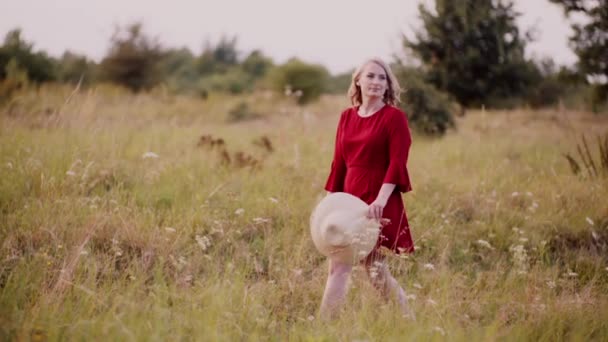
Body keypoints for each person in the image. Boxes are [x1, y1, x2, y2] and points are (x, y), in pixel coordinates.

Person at [321, 57, 415, 320]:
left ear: (388, 85)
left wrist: (381, 201)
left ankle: (407, 320)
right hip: (348, 198)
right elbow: (339, 163)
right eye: (371, 76)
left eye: (382, 77)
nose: (376, 82)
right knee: (340, 266)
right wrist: (331, 205)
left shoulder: (394, 118)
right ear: (358, 81)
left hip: (377, 199)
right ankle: (323, 328)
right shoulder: (346, 117)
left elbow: (398, 163)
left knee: (374, 269)